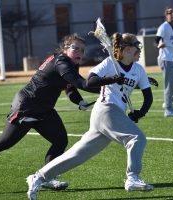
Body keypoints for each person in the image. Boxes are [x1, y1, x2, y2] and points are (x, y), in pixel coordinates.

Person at [0, 33, 115, 189]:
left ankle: (47, 177)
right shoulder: (62, 62)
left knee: (60, 140)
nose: (79, 52)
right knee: (5, 142)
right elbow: (83, 84)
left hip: (44, 109)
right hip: (26, 106)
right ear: (65, 48)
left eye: (82, 49)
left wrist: (80, 101)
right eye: (75, 48)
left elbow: (70, 87)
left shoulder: (70, 63)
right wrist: (112, 84)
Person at [26, 32, 154, 200]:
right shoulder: (110, 63)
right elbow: (90, 82)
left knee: (78, 154)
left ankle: (39, 177)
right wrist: (113, 79)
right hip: (106, 109)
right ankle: (132, 177)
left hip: (111, 116)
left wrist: (140, 113)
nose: (139, 51)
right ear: (128, 49)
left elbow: (148, 96)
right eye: (136, 47)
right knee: (137, 138)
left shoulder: (138, 69)